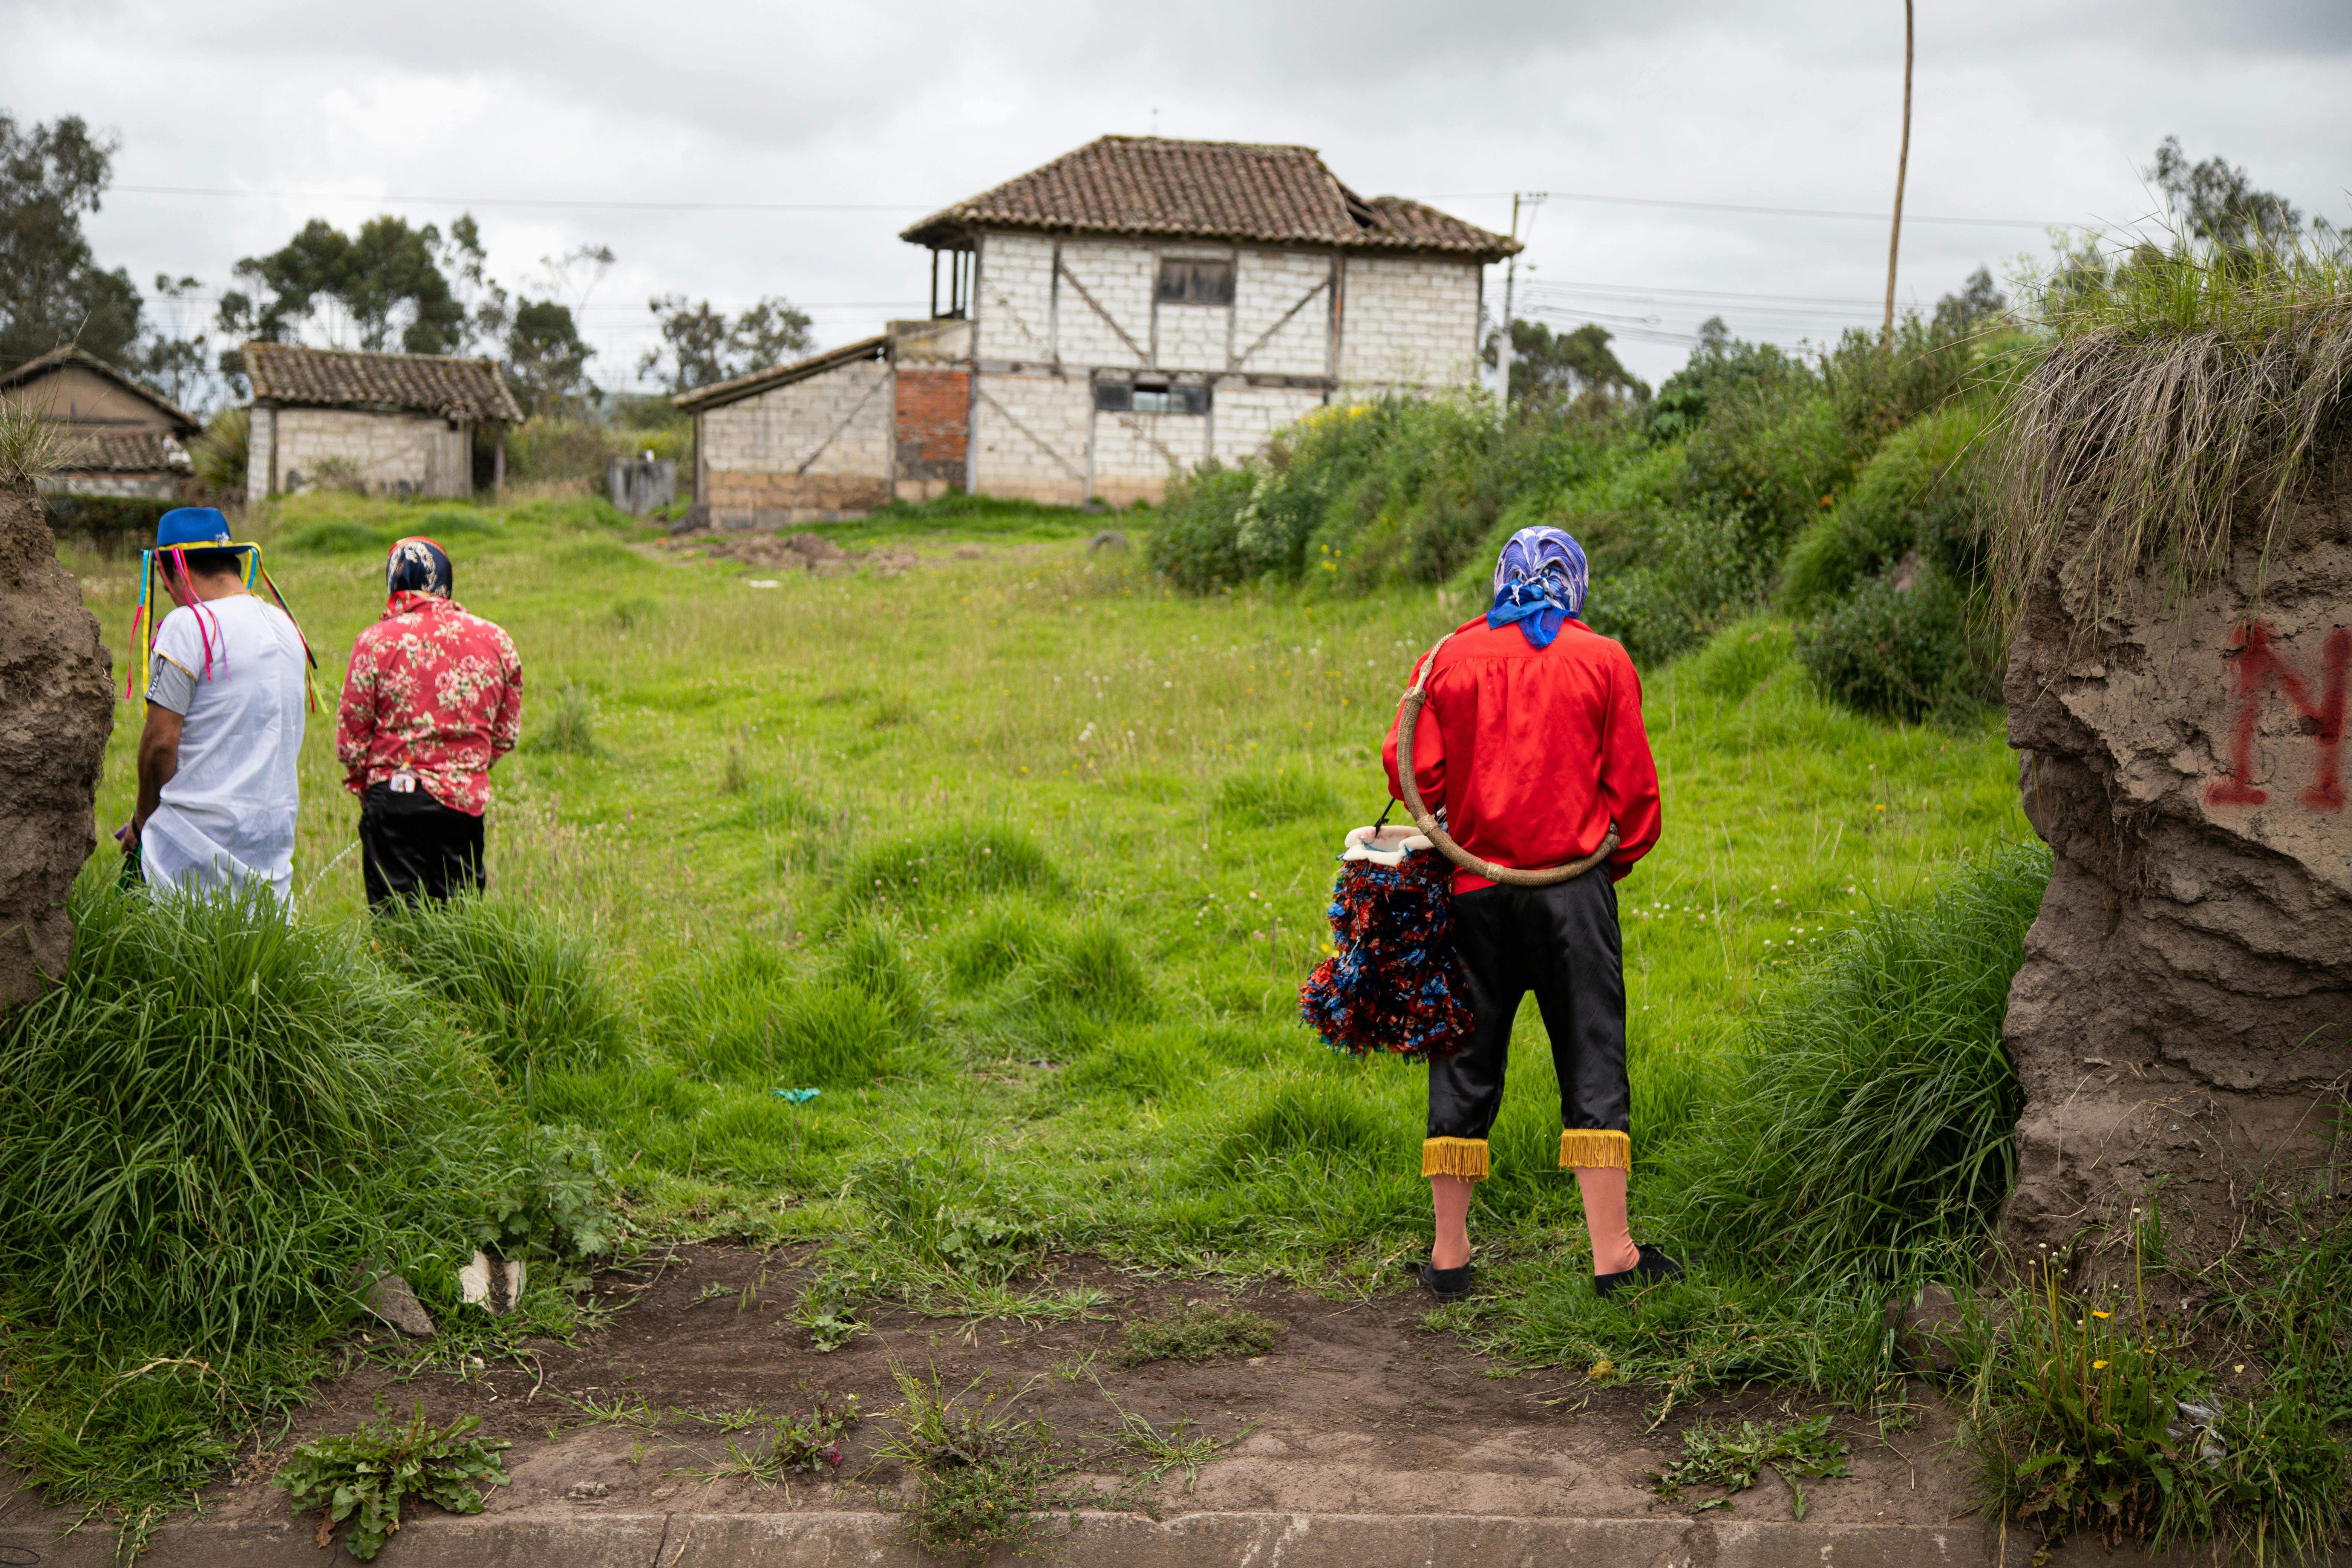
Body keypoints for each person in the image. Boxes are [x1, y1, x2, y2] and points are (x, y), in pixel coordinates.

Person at [1382, 525, 1677, 1302]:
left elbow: (1410, 768)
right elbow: (1636, 795)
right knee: (1592, 1057)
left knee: (1463, 1058)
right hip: (1572, 896)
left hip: (1472, 890)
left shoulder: (1447, 657)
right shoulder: (1604, 659)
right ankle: (1613, 1256)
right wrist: (1607, 862)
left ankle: (1449, 1257)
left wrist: (1462, 824)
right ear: (1574, 583)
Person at [121, 508, 311, 898]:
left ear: (173, 572)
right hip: (270, 856)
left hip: (190, 860)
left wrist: (141, 821)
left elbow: (160, 743)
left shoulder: (189, 625)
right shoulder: (286, 626)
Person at [336, 536, 523, 906]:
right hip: (463, 803)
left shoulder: (374, 642)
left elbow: (351, 741)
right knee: (460, 919)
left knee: (397, 922)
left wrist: (367, 785)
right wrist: (463, 769)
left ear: (394, 581)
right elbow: (505, 734)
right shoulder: (496, 640)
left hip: (393, 798)